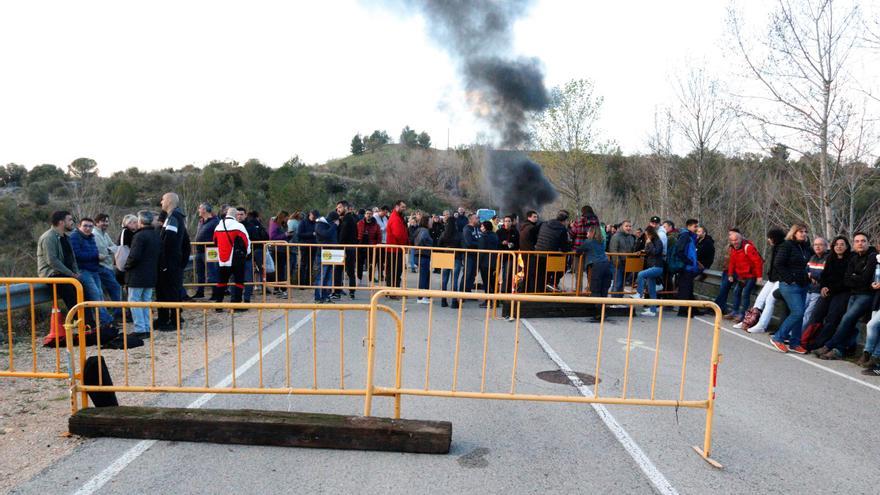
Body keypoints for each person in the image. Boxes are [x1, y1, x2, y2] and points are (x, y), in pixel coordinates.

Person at [815, 233, 878, 360]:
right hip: (854, 294)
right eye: (857, 241)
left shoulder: (872, 257)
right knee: (851, 323)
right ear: (853, 244)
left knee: (846, 320)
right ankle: (841, 350)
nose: (860, 243)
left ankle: (829, 345)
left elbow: (866, 279)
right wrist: (855, 278)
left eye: (863, 241)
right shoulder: (854, 258)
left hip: (866, 295)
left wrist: (855, 277)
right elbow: (847, 279)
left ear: (868, 243)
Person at [37, 211, 99, 329]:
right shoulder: (48, 237)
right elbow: (52, 261)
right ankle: (83, 328)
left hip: (68, 276)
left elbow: (72, 258)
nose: (72, 222)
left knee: (84, 297)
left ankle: (91, 327)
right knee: (73, 300)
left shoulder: (66, 237)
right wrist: (71, 274)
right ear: (61, 222)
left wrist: (76, 273)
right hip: (54, 276)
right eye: (70, 220)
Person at [770, 223, 811, 354]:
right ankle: (778, 337)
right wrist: (790, 279)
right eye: (801, 231)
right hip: (789, 285)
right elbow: (778, 264)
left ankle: (795, 342)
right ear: (794, 233)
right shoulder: (786, 245)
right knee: (797, 312)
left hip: (803, 285)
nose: (803, 234)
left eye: (805, 232)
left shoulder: (805, 247)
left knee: (800, 314)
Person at [806, 236, 853, 351]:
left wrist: (830, 288)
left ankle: (820, 343)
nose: (839, 246)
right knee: (817, 314)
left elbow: (847, 280)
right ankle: (807, 339)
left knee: (832, 317)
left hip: (842, 292)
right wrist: (823, 287)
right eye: (836, 244)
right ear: (833, 246)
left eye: (842, 244)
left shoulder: (851, 259)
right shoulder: (831, 258)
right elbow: (824, 275)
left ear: (847, 247)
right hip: (828, 290)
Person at [735, 228, 786, 332]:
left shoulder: (783, 248)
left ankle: (762, 325)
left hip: (780, 279)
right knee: (760, 299)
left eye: (770, 238)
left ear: (774, 238)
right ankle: (748, 321)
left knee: (769, 300)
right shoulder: (775, 247)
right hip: (772, 278)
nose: (768, 240)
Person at [69, 218, 114, 327]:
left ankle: (105, 319)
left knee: (99, 295)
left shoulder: (91, 237)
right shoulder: (75, 237)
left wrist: (98, 257)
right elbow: (77, 255)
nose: (88, 228)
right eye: (85, 226)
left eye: (90, 226)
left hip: (94, 269)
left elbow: (94, 251)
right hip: (83, 270)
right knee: (95, 295)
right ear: (79, 226)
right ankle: (105, 321)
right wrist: (96, 256)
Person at [155, 192, 189, 330]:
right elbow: (185, 241)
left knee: (169, 292)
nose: (161, 202)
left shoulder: (174, 218)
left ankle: (173, 321)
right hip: (173, 262)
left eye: (162, 200)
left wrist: (165, 261)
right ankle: (164, 318)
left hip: (169, 263)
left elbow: (169, 240)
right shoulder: (176, 217)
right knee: (167, 291)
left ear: (168, 201)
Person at [124, 211, 160, 337]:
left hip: (137, 275)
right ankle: (147, 327)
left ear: (140, 222)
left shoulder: (139, 236)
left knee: (134, 301)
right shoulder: (156, 235)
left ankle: (140, 329)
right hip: (151, 273)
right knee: (146, 301)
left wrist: (126, 266)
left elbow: (134, 256)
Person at [717, 230, 763, 322]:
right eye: (732, 240)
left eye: (736, 240)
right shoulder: (733, 248)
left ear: (740, 238)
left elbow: (758, 262)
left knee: (745, 294)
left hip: (751, 275)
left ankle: (742, 314)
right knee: (736, 292)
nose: (734, 242)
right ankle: (734, 311)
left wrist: (759, 276)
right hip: (741, 276)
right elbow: (732, 263)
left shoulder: (748, 247)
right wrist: (730, 274)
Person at [211, 207, 251, 308]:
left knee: (221, 281)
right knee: (238, 281)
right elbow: (246, 242)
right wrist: (247, 253)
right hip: (236, 259)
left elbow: (214, 241)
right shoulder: (238, 226)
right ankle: (237, 304)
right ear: (235, 215)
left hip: (222, 259)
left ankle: (218, 304)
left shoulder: (218, 226)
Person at [576, 222, 612, 321]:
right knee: (604, 290)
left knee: (595, 289)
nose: (587, 233)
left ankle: (599, 313)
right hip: (607, 265)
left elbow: (578, 251)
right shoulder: (603, 241)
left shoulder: (589, 242)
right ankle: (604, 311)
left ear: (591, 232)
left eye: (588, 232)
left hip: (597, 266)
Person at [629, 226, 664, 316]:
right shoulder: (650, 242)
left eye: (647, 235)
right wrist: (642, 251)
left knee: (641, 274)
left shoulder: (658, 241)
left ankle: (639, 294)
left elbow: (656, 252)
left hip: (657, 266)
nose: (646, 237)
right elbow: (648, 252)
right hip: (651, 266)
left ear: (652, 234)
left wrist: (649, 244)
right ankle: (653, 311)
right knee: (652, 290)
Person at [93, 213, 122, 317]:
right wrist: (110, 250)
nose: (106, 223)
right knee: (115, 287)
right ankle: (117, 312)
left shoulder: (104, 234)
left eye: (107, 221)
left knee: (112, 288)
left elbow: (113, 246)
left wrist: (110, 250)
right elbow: (100, 251)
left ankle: (115, 312)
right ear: (96, 223)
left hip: (108, 265)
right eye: (103, 221)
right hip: (101, 266)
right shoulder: (95, 234)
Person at [670, 219, 701, 316]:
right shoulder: (685, 236)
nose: (696, 228)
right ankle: (683, 311)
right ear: (689, 226)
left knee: (689, 288)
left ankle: (693, 309)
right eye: (695, 226)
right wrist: (689, 261)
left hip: (689, 267)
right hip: (686, 267)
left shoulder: (690, 236)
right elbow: (680, 251)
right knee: (685, 289)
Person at [535, 210, 571, 293]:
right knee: (562, 267)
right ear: (565, 221)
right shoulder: (562, 229)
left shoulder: (545, 223)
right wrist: (569, 246)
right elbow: (564, 248)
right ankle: (552, 283)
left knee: (542, 273)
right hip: (551, 254)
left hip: (538, 252)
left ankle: (541, 289)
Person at [192, 203, 219, 299]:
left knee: (212, 273)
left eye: (200, 208)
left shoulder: (215, 221)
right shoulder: (201, 221)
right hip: (199, 250)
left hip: (211, 250)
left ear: (204, 210)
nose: (198, 210)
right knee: (200, 272)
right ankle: (200, 292)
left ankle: (215, 294)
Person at [314, 210, 340, 303]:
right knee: (322, 275)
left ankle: (326, 296)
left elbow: (334, 238)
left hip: (331, 253)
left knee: (329, 276)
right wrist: (334, 225)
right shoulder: (320, 224)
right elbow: (326, 234)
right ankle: (318, 297)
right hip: (322, 253)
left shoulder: (330, 224)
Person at [802, 237, 828, 328]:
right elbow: (805, 272)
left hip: (818, 291)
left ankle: (797, 335)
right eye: (815, 245)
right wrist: (809, 275)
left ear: (826, 246)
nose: (817, 247)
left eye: (820, 245)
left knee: (808, 314)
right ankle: (790, 333)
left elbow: (825, 275)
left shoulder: (828, 259)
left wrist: (812, 275)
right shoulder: (812, 257)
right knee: (799, 312)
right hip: (808, 289)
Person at [437, 215, 462, 308]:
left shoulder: (444, 233)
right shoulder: (459, 234)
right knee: (454, 280)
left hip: (445, 256)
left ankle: (443, 301)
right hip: (456, 257)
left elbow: (439, 244)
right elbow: (462, 246)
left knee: (444, 279)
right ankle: (454, 301)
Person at [384, 201, 409, 289]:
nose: (404, 209)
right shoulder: (395, 218)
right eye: (402, 207)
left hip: (395, 249)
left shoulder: (397, 217)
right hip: (395, 249)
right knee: (394, 271)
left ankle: (392, 290)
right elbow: (398, 234)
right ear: (396, 207)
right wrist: (405, 245)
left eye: (404, 207)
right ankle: (392, 291)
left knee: (394, 271)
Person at [608, 219, 635, 297]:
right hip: (618, 264)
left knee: (622, 284)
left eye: (630, 226)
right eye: (626, 226)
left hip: (627, 264)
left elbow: (632, 250)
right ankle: (614, 301)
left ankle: (620, 300)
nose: (628, 228)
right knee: (617, 283)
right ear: (622, 227)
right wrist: (617, 263)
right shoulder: (616, 236)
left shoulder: (631, 237)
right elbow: (613, 250)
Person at [477, 220, 500, 307]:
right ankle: (496, 301)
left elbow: (481, 251)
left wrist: (478, 263)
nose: (481, 228)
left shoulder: (483, 237)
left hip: (485, 263)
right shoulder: (495, 235)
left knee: (486, 282)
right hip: (494, 262)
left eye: (482, 226)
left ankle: (488, 301)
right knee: (493, 281)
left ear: (485, 227)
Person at [356, 208, 381, 282]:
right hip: (361, 246)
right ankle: (359, 278)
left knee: (371, 264)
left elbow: (379, 237)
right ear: (365, 215)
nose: (368, 215)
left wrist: (376, 245)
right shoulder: (359, 223)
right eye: (367, 213)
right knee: (359, 263)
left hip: (371, 247)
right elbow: (356, 234)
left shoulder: (376, 225)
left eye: (370, 213)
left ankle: (370, 278)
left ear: (372, 214)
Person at [496, 215, 519, 293]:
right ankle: (494, 290)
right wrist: (502, 242)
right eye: (506, 221)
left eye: (509, 221)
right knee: (496, 274)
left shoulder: (515, 232)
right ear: (503, 222)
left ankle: (505, 291)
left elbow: (518, 243)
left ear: (512, 222)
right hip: (500, 255)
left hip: (510, 256)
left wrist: (513, 245)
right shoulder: (499, 231)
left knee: (507, 274)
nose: (507, 223)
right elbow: (495, 242)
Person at [413, 216, 434, 303]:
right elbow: (421, 240)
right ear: (426, 222)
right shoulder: (424, 231)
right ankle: (421, 297)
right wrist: (426, 246)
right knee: (423, 277)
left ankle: (423, 296)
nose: (431, 223)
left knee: (425, 275)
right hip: (423, 255)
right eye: (430, 221)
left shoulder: (420, 230)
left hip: (421, 255)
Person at [519, 210, 539, 292]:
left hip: (525, 253)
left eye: (537, 217)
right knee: (531, 273)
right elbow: (535, 241)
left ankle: (525, 290)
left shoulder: (524, 226)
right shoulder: (531, 228)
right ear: (529, 217)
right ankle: (529, 291)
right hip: (530, 253)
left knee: (528, 273)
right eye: (534, 217)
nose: (536, 218)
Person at [297, 210, 318, 285]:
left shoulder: (316, 223)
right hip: (304, 246)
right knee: (303, 264)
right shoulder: (303, 222)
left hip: (314, 246)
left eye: (315, 217)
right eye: (313, 216)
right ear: (310, 214)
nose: (314, 218)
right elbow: (299, 234)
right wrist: (311, 234)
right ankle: (301, 283)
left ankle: (308, 282)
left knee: (310, 264)